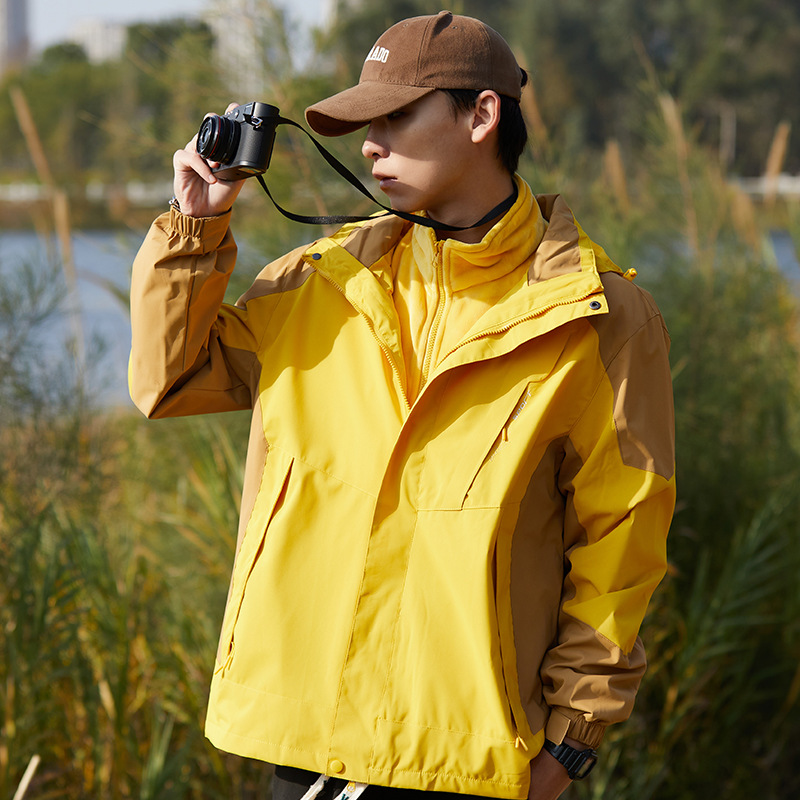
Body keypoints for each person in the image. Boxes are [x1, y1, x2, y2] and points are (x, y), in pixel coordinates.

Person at [129, 11, 676, 800]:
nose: (371, 144)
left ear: (483, 115)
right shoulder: (318, 282)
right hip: (301, 740)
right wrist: (198, 225)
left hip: (464, 759)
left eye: (395, 116)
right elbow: (168, 381)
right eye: (363, 123)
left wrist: (572, 743)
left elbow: (622, 544)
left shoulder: (600, 318)